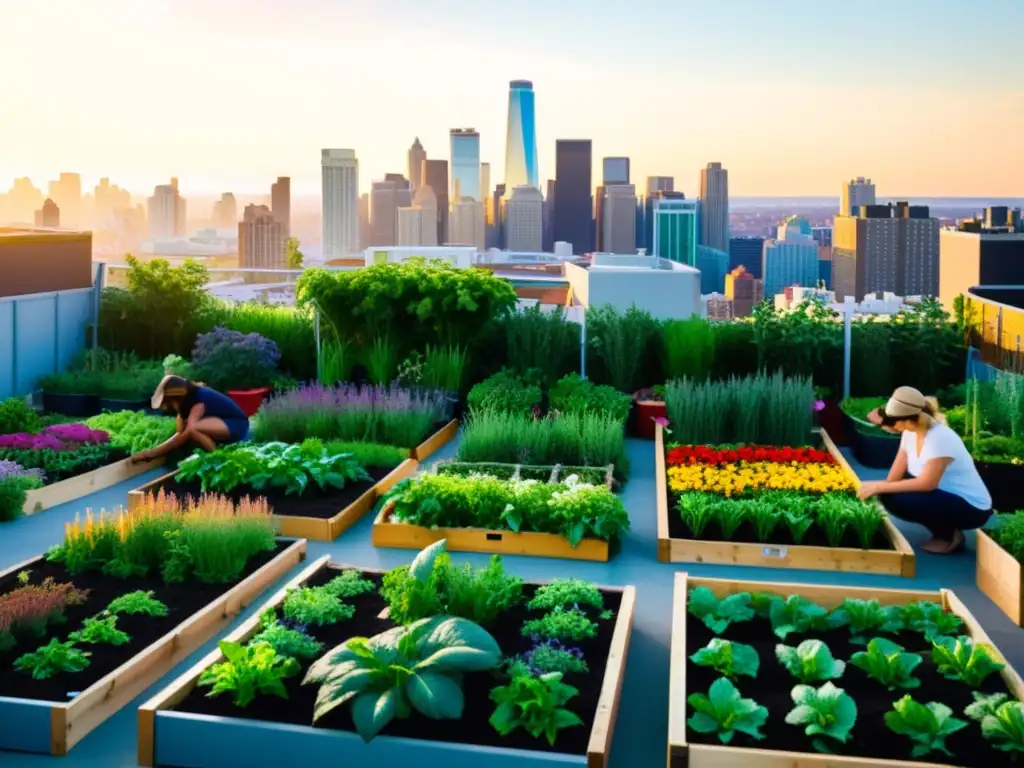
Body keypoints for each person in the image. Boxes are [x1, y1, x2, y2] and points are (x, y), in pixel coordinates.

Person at [858, 386, 991, 554]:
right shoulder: (909, 433)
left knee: (902, 500)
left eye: (893, 420)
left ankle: (949, 536)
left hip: (971, 507)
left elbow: (928, 483)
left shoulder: (939, 438)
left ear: (908, 419)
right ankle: (944, 531)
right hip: (942, 495)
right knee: (891, 496)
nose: (890, 425)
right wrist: (876, 488)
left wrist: (878, 486)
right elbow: (894, 478)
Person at [130, 375, 250, 464]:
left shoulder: (198, 400)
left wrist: (151, 454)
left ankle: (218, 460)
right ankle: (212, 455)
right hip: (219, 423)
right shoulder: (184, 406)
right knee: (191, 431)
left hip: (236, 424)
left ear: (176, 398)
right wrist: (151, 453)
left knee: (193, 429)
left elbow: (187, 432)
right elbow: (179, 433)